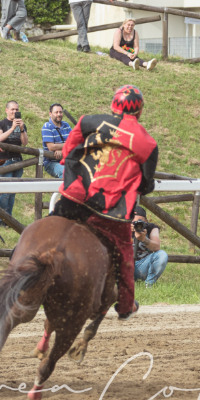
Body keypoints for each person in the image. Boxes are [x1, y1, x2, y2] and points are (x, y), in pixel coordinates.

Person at [51, 85, 159, 320]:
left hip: (74, 195)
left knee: (47, 229)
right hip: (111, 210)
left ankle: (17, 261)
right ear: (139, 112)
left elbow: (69, 150)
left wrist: (69, 167)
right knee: (125, 254)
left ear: (113, 105)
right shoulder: (148, 144)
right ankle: (125, 306)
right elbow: (145, 183)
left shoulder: (89, 121)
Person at [0, 100, 28, 218]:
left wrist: (22, 129)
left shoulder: (22, 125)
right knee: (5, 192)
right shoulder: (1, 124)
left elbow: (24, 142)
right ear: (6, 110)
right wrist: (12, 128)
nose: (15, 112)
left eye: (17, 110)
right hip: (5, 160)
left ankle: (9, 218)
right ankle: (1, 219)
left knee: (12, 192)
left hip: (18, 160)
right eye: (12, 109)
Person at [132, 206, 168, 286]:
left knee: (162, 254)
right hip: (124, 266)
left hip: (142, 267)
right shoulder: (122, 227)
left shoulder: (151, 227)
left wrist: (144, 239)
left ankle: (149, 284)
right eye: (133, 222)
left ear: (145, 221)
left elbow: (156, 247)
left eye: (139, 222)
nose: (136, 225)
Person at [40, 103, 72, 179]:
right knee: (66, 173)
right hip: (51, 162)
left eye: (60, 112)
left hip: (67, 160)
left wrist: (62, 151)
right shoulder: (47, 127)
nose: (59, 114)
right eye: (56, 112)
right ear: (50, 114)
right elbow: (51, 147)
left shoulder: (66, 125)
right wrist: (67, 145)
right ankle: (58, 190)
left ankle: (56, 191)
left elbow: (74, 143)